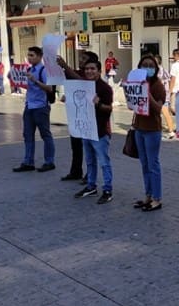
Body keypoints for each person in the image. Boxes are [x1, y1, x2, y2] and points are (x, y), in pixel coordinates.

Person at [58, 58, 114, 204]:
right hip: (86, 129)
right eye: (87, 69)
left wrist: (99, 104)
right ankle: (91, 186)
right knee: (89, 161)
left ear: (99, 71)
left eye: (92, 69)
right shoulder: (82, 85)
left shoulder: (105, 88)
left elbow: (109, 108)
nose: (89, 71)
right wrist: (68, 98)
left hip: (100, 131)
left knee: (104, 162)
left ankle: (107, 190)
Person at [132, 55, 167, 212]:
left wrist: (147, 93)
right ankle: (148, 195)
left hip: (152, 129)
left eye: (150, 65)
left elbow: (159, 109)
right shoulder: (137, 83)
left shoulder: (158, 86)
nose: (147, 67)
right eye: (144, 65)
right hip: (139, 127)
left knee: (153, 165)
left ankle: (157, 198)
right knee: (144, 164)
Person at [13, 46, 55, 173]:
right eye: (28, 55)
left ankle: (49, 161)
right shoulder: (30, 69)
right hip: (29, 105)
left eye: (32, 55)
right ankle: (28, 161)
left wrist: (34, 80)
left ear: (39, 56)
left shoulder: (43, 70)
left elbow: (49, 88)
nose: (29, 58)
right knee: (28, 135)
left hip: (41, 106)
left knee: (45, 134)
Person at [59, 51, 99, 182]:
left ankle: (90, 174)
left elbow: (82, 83)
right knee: (76, 146)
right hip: (77, 118)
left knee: (89, 149)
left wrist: (65, 65)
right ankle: (75, 170)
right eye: (80, 58)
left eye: (84, 59)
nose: (81, 60)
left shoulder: (92, 77)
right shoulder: (75, 72)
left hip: (90, 119)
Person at [155, 54, 176, 140]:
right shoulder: (163, 69)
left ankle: (171, 131)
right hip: (163, 94)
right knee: (159, 113)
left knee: (165, 112)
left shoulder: (158, 70)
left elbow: (158, 81)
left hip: (161, 95)